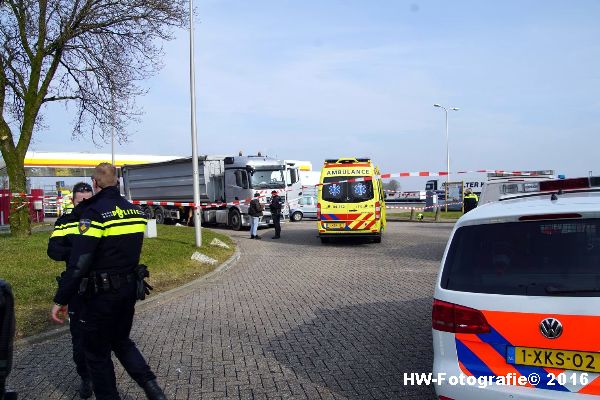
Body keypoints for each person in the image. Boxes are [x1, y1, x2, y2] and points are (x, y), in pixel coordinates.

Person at [51, 163, 165, 400]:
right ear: (117, 182)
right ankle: (152, 387)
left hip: (98, 297)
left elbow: (80, 262)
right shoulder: (134, 211)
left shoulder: (93, 213)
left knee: (96, 353)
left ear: (95, 183)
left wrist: (61, 298)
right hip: (128, 292)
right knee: (121, 341)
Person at [47, 182, 94, 398]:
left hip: (100, 287)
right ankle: (86, 378)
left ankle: (101, 374)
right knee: (78, 338)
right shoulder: (65, 221)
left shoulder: (100, 219)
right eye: (80, 200)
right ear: (73, 200)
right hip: (75, 286)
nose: (84, 203)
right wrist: (76, 253)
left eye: (88, 199)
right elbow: (53, 250)